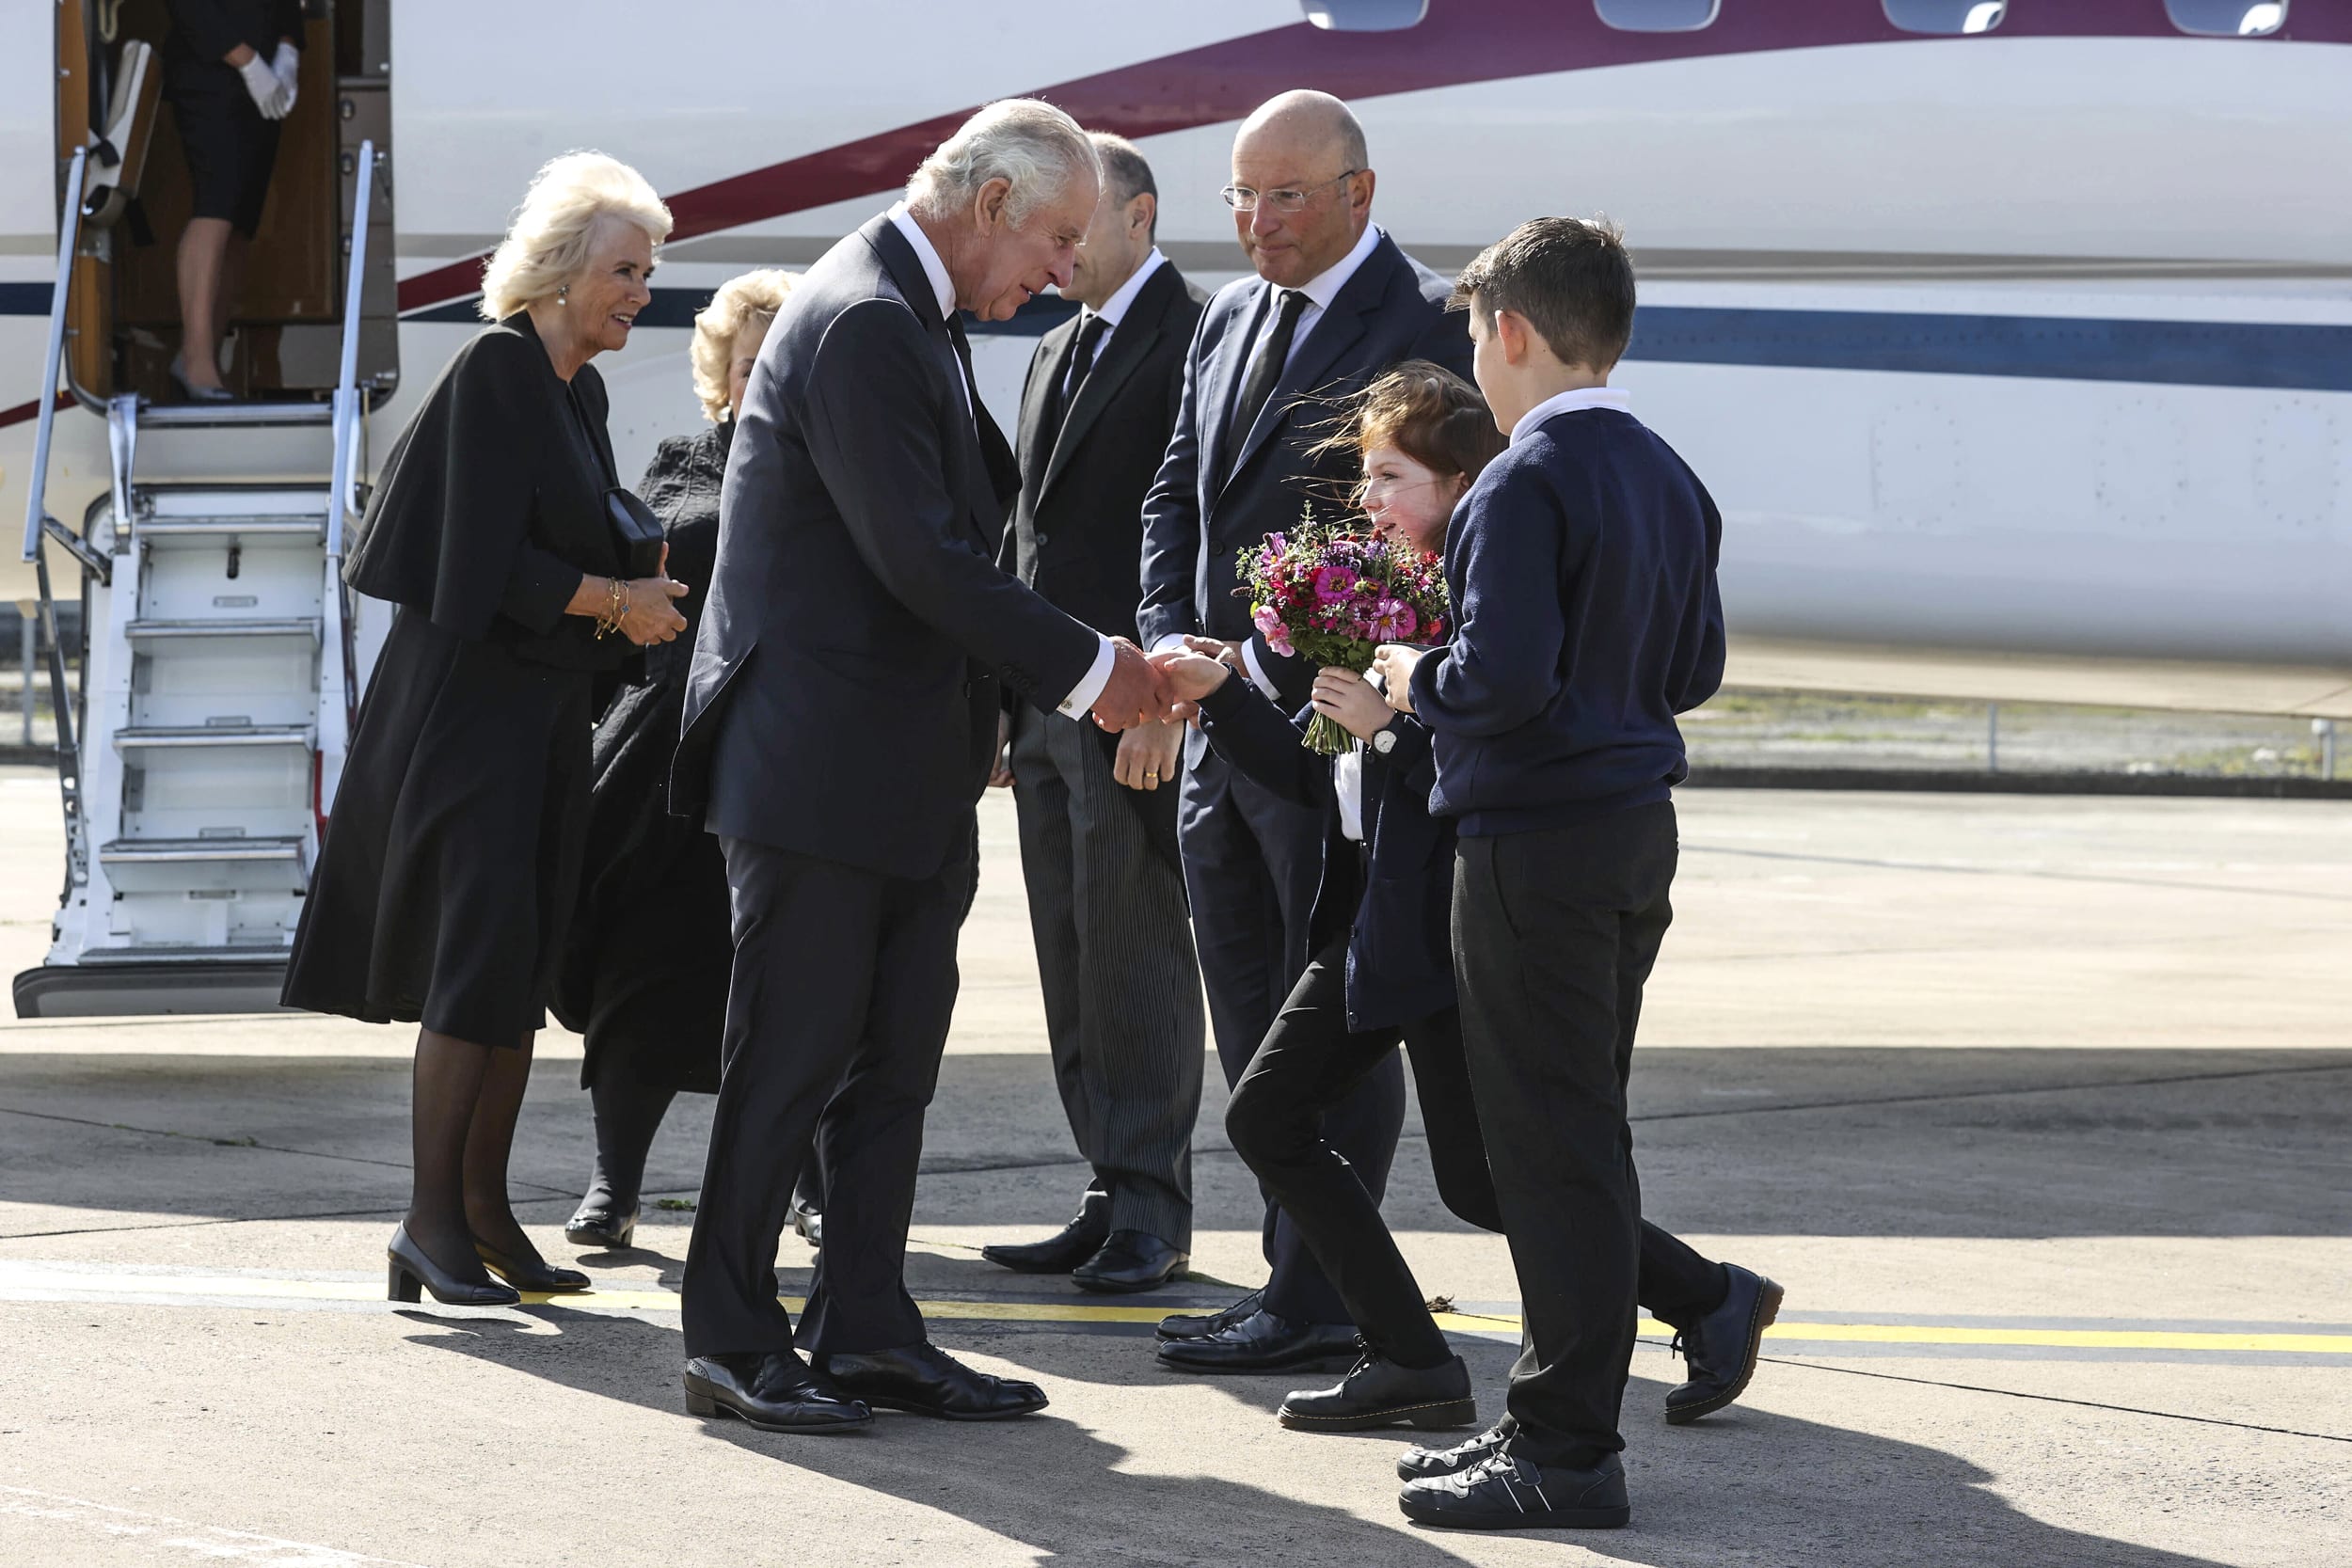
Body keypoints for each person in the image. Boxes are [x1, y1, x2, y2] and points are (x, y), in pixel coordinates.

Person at [669, 100, 1168, 1435]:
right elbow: (925, 562)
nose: (1065, 268)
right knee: (788, 1062)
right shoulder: (870, 319)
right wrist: (1098, 672)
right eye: (1059, 236)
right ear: (992, 203)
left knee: (890, 1068)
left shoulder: (906, 309)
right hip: (821, 773)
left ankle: (868, 1323)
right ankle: (728, 1333)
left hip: (891, 768)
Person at [1372, 218, 1784, 1530]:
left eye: (1474, 334)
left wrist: (1405, 678)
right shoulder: (1668, 473)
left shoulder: (1517, 478)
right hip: (1628, 831)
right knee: (1577, 1136)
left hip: (1532, 844)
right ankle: (1553, 1416)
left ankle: (1561, 1447)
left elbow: (1496, 681)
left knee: (1548, 1151)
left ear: (1509, 330)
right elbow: (1696, 670)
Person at [283, 153, 688, 1307]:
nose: (637, 295)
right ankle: (427, 1220)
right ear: (558, 272)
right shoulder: (500, 372)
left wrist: (629, 579)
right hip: (469, 724)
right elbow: (480, 562)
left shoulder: (577, 391)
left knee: (514, 969)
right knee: (473, 972)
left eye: (646, 273)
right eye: (622, 271)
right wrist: (617, 601)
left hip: (541, 714)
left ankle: (482, 1207)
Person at [1136, 90, 1474, 1376]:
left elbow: (1423, 535)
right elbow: (1180, 490)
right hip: (1221, 720)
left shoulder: (1431, 325)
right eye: (1238, 194)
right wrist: (1174, 637)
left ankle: (1325, 1287)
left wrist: (1290, 660)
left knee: (1328, 1015)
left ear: (1358, 196)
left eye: (1284, 195)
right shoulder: (1226, 317)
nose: (1255, 220)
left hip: (1337, 729)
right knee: (1250, 1004)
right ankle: (1296, 1277)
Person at [1152, 362, 1503, 1430]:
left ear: (1454, 483)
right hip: (1371, 918)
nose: (1368, 500)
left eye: (1390, 476)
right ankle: (1409, 1355)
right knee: (1272, 1114)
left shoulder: (1469, 600)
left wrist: (1386, 723)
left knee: (1483, 1182)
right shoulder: (1385, 592)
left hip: (1435, 925)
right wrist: (1223, 700)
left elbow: (1466, 767)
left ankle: (1700, 1293)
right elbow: (1321, 774)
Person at [555, 270, 829, 1254]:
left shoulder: (837, 464)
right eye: (748, 365)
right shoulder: (681, 462)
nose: (762, 381)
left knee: (792, 986)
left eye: (780, 364)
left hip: (785, 759)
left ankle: (810, 1187)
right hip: (665, 766)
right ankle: (613, 1182)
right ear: (722, 373)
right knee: (643, 975)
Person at [979, 135, 1209, 1294]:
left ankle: (1152, 1205)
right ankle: (1106, 1182)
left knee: (1136, 959)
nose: (1060, 252)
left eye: (1079, 228)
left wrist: (1172, 696)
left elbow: (1203, 530)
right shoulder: (1054, 349)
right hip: (1048, 707)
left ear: (1142, 218)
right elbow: (1026, 541)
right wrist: (1005, 704)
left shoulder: (1199, 337)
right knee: (1069, 958)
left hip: (1136, 710)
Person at [161, 0, 304, 401]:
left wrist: (288, 51)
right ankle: (197, 363)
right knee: (217, 208)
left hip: (267, 76)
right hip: (211, 74)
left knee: (242, 222)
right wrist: (247, 61)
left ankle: (200, 357)